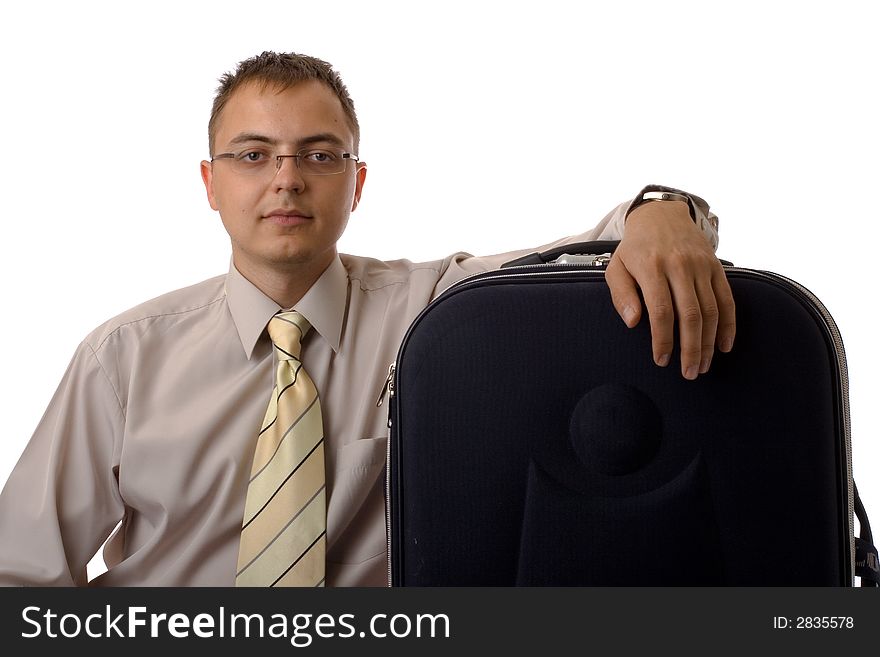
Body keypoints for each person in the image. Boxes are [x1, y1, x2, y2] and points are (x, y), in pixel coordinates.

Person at [0, 51, 734, 586]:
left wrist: (667, 210)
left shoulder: (437, 314)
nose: (286, 177)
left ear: (356, 183)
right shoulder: (121, 359)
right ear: (210, 183)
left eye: (317, 155)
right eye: (254, 155)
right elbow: (20, 573)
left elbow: (594, 249)